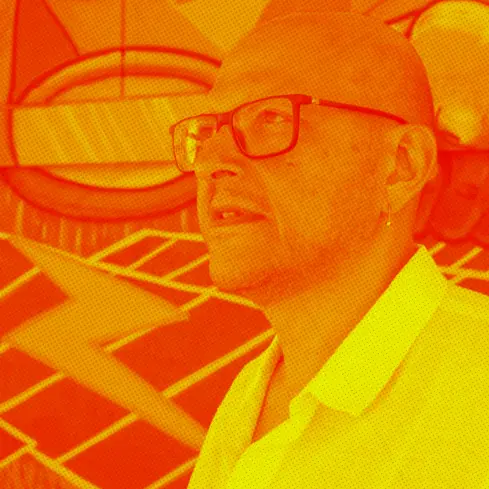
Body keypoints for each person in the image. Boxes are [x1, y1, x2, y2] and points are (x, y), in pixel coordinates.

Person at [169, 3, 489, 488]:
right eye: (210, 130)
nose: (213, 159)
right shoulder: (250, 396)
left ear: (400, 165)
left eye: (272, 117)